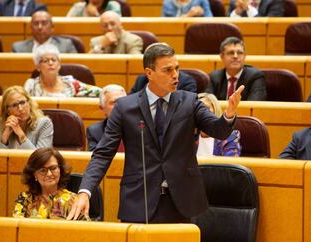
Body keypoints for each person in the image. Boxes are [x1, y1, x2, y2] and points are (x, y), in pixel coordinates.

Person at [67, 43, 244, 223]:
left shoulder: (189, 101)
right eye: (168, 70)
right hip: (139, 200)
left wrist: (229, 114)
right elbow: (103, 153)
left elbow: (218, 130)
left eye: (176, 68)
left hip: (183, 201)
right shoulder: (125, 107)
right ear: (149, 73)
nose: (175, 75)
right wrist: (85, 191)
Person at [13, 147, 89, 220]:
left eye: (53, 168)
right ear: (34, 174)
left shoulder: (74, 200)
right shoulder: (24, 199)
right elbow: (16, 229)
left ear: (60, 170)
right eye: (43, 170)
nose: (49, 174)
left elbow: (87, 230)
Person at [24, 44, 101, 97]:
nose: (50, 63)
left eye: (54, 60)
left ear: (59, 65)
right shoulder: (31, 85)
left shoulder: (71, 83)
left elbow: (99, 92)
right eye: (45, 61)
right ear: (38, 66)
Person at [197, 93, 241, 157]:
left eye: (205, 108)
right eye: (197, 109)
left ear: (215, 110)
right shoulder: (187, 136)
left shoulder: (230, 137)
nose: (201, 113)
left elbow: (230, 165)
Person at [12, 11, 77, 53]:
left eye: (44, 23)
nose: (40, 27)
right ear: (31, 28)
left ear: (52, 27)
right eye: (36, 23)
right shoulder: (18, 48)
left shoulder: (66, 45)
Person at [87, 84, 126, 151]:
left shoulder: (141, 127)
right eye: (114, 102)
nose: (120, 105)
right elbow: (95, 158)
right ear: (102, 108)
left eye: (123, 101)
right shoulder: (95, 131)